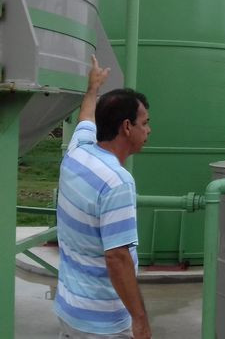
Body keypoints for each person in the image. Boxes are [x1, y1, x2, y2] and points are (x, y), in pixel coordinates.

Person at [55, 56, 152, 338]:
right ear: (126, 127)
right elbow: (117, 257)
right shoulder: (117, 182)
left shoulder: (78, 149)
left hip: (69, 310)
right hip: (102, 324)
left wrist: (93, 88)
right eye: (144, 123)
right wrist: (140, 320)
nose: (148, 130)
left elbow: (86, 116)